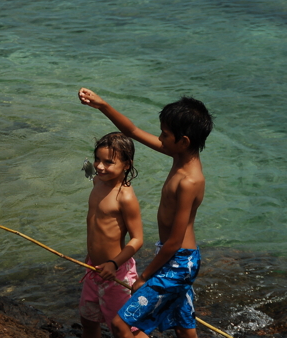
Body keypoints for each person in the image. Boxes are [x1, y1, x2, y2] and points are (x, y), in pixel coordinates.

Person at [78, 88, 213, 338]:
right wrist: (102, 105)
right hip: (175, 256)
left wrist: (144, 276)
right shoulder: (180, 155)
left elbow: (174, 240)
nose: (159, 138)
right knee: (183, 326)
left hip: (178, 260)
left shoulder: (189, 181)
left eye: (164, 134)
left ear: (183, 140)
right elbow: (132, 132)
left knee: (120, 324)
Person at [79, 132, 144, 338]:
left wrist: (114, 264)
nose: (100, 166)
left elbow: (137, 239)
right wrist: (88, 167)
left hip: (116, 274)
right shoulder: (98, 182)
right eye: (98, 159)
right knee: (88, 320)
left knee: (126, 329)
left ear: (126, 165)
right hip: (93, 270)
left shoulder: (125, 196)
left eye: (109, 162)